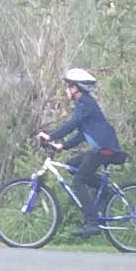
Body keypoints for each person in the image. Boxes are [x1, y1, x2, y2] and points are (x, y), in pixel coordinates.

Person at [39, 67, 122, 223]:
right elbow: (82, 134)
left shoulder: (85, 104)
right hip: (103, 149)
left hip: (106, 150)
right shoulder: (84, 104)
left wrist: (51, 137)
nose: (66, 90)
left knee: (78, 180)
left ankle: (92, 221)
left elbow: (72, 124)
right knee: (72, 165)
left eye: (69, 86)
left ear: (76, 88)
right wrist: (63, 146)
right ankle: (106, 191)